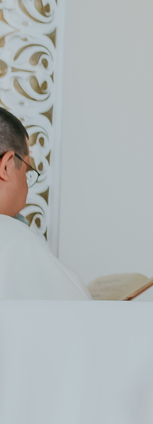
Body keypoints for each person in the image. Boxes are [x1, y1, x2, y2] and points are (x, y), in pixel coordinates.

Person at [0, 108, 90, 299]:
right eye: (26, 171)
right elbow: (79, 307)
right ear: (6, 166)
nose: (26, 187)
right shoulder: (15, 238)